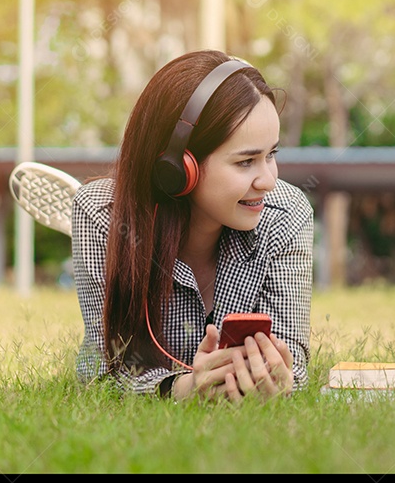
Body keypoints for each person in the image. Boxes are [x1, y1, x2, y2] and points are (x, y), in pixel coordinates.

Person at [71, 50, 314, 402]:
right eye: (246, 162)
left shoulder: (286, 214)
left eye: (271, 155)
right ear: (179, 168)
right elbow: (104, 372)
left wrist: (275, 377)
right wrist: (180, 389)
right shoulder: (102, 215)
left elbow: (295, 359)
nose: (268, 181)